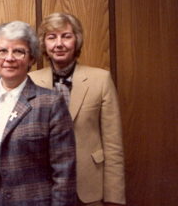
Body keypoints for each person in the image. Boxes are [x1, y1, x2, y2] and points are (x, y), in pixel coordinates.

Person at [0, 21, 76, 205]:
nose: (9, 58)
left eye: (19, 51)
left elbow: (64, 174)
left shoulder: (51, 103)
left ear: (31, 58)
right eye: (2, 51)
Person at [29, 12, 125, 206]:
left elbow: (113, 145)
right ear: (44, 44)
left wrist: (114, 197)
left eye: (66, 36)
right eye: (51, 37)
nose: (59, 44)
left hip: (90, 188)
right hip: (45, 188)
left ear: (77, 40)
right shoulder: (31, 81)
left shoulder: (101, 80)